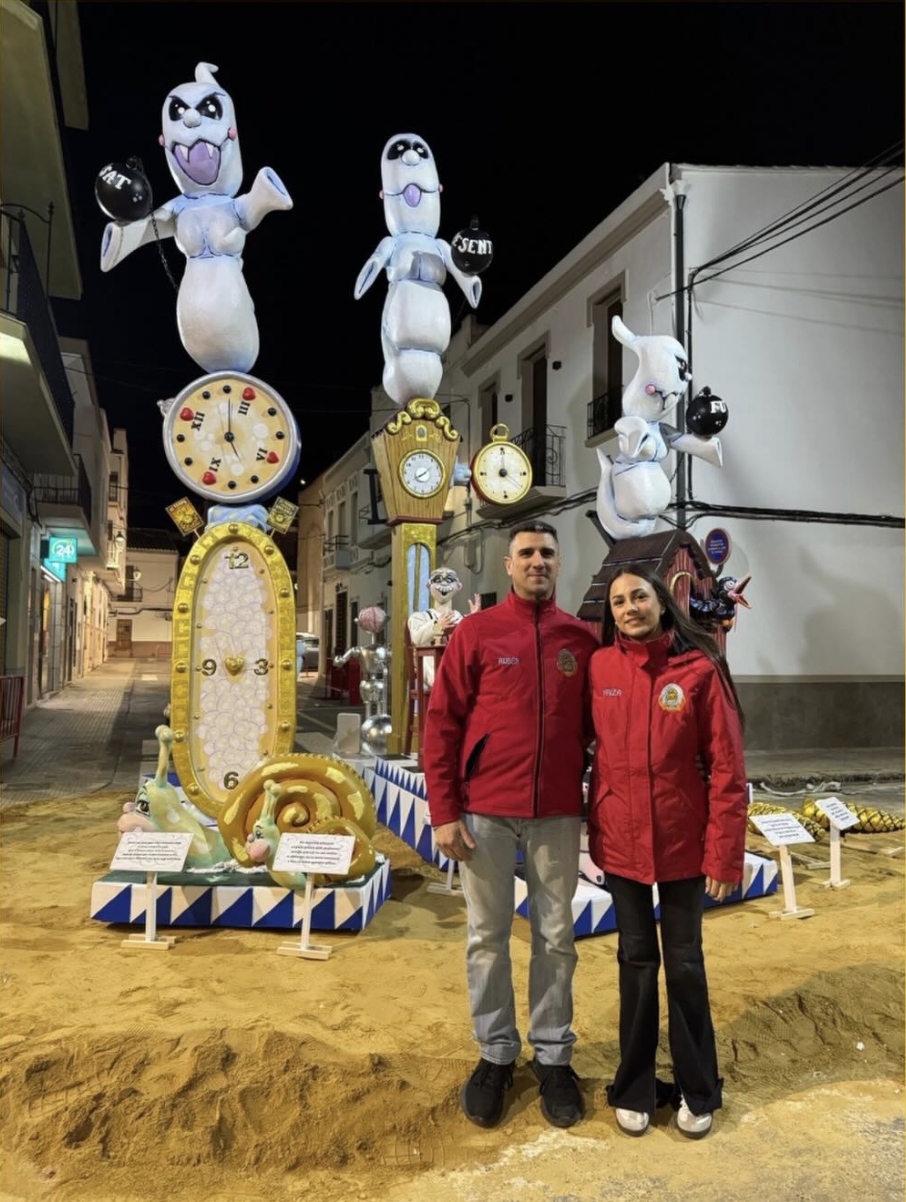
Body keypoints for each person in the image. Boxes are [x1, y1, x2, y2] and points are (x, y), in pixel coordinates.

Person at [423, 521, 599, 1130]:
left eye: (548, 552)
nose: (538, 562)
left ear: (559, 561)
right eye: (526, 553)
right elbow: (441, 725)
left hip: (555, 814)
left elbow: (596, 731)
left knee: (555, 935)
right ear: (508, 565)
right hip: (485, 814)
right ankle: (496, 1053)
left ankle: (553, 1055)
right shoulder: (475, 634)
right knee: (486, 936)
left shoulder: (580, 638)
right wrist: (443, 811)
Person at [587, 563, 748, 1140]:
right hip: (621, 840)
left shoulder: (700, 669)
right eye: (618, 601)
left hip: (683, 840)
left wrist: (724, 853)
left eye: (639, 597)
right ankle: (632, 1085)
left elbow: (729, 767)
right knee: (635, 963)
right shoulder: (601, 667)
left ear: (661, 602)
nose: (629, 607)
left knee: (683, 965)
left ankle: (698, 1087)